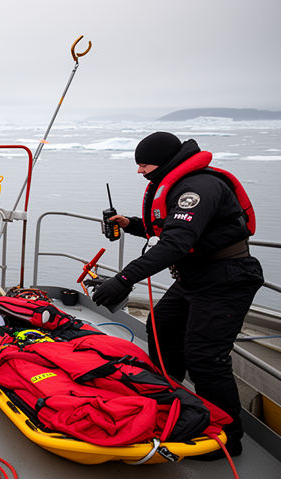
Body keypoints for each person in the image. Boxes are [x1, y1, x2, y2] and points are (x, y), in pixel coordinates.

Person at [92, 131, 262, 460]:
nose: (140, 171)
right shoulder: (178, 183)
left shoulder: (198, 188)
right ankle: (175, 402)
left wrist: (124, 279)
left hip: (226, 278)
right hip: (195, 277)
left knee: (205, 359)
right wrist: (130, 223)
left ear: (166, 161)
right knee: (162, 329)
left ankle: (228, 438)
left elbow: (175, 244)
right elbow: (170, 229)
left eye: (144, 164)